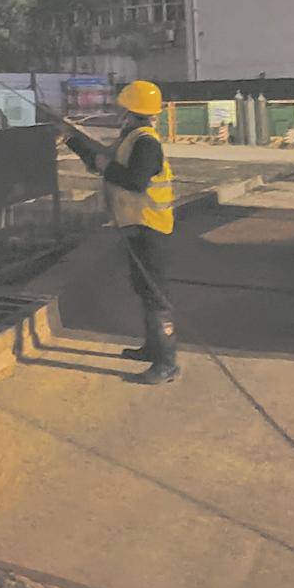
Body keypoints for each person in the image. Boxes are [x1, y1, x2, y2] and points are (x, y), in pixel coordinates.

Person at [60, 80, 179, 384]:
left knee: (155, 295)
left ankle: (167, 363)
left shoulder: (145, 142)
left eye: (123, 107)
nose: (119, 112)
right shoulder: (131, 137)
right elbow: (102, 161)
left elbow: (135, 179)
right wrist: (71, 139)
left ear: (131, 109)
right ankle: (153, 348)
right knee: (144, 289)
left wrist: (105, 166)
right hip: (137, 226)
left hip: (150, 227)